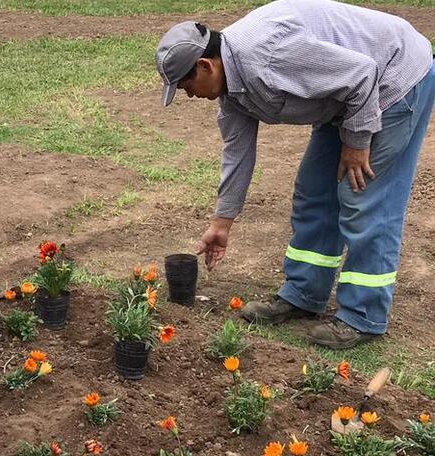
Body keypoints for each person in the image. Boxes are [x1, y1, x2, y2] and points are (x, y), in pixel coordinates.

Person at [156, 0, 435, 349]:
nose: (189, 95)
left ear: (205, 65)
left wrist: (357, 142)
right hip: (345, 100)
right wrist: (221, 223)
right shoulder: (232, 91)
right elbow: (237, 155)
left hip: (394, 80)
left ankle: (364, 316)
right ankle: (304, 293)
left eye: (185, 86)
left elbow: (364, 74)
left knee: (363, 197)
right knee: (314, 191)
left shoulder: (268, 57)